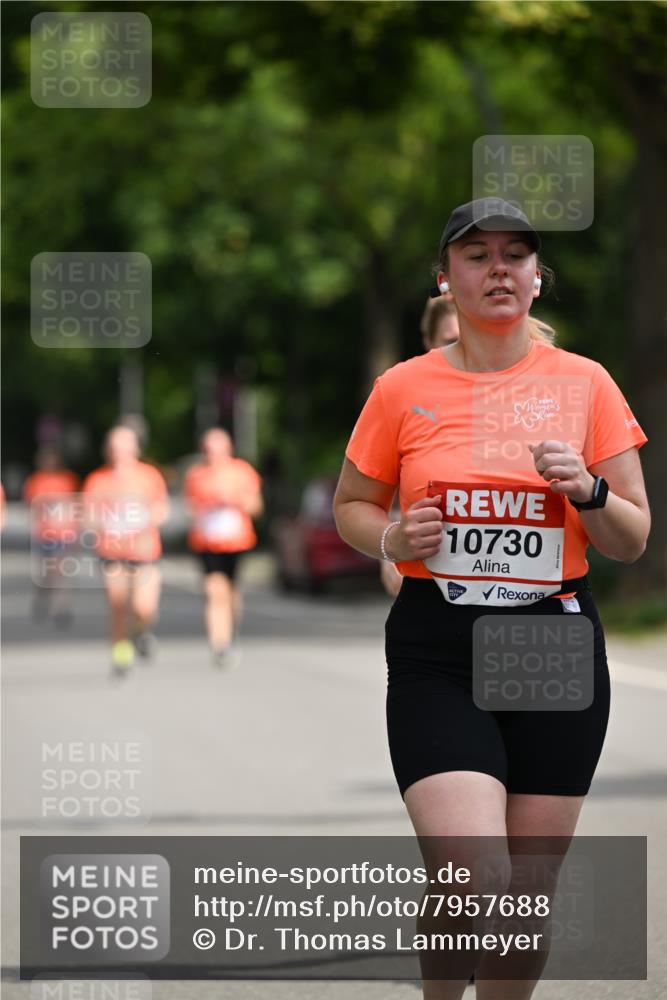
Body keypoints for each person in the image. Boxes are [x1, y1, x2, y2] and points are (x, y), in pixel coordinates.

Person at [334, 198, 650, 999]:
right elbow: (352, 505)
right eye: (476, 254)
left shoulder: (585, 384)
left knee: (522, 895)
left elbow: (630, 537)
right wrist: (392, 540)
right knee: (471, 873)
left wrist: (587, 490)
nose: (498, 267)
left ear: (539, 279)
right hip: (438, 643)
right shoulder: (401, 388)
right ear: (447, 278)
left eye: (517, 254)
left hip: (552, 642)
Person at [380, 297, 462, 598]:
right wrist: (391, 545)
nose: (464, 349)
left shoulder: (525, 394)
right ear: (429, 342)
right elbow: (377, 493)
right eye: (450, 341)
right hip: (431, 582)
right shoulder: (406, 400)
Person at [83, 424, 169, 674]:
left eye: (125, 444)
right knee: (118, 604)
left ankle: (141, 631)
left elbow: (161, 510)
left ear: (136, 448)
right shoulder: (97, 479)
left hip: (144, 551)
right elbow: (87, 516)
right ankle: (121, 652)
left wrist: (141, 519)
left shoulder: (149, 476)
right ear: (108, 449)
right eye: (115, 445)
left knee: (144, 607)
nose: (119, 450)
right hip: (111, 551)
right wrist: (106, 521)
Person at [183, 427, 263, 668]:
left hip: (236, 541)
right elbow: (190, 507)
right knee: (213, 591)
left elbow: (256, 506)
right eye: (209, 448)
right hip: (206, 542)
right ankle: (219, 643)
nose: (214, 452)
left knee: (231, 591)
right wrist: (207, 505)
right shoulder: (196, 474)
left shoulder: (242, 471)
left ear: (229, 448)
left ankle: (231, 630)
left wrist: (234, 500)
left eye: (218, 447)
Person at [23, 447, 80, 626]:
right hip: (44, 534)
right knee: (47, 574)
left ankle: (62, 608)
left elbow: (76, 506)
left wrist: (77, 530)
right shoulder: (35, 481)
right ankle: (43, 597)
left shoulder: (68, 479)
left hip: (65, 533)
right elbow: (31, 508)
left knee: (62, 572)